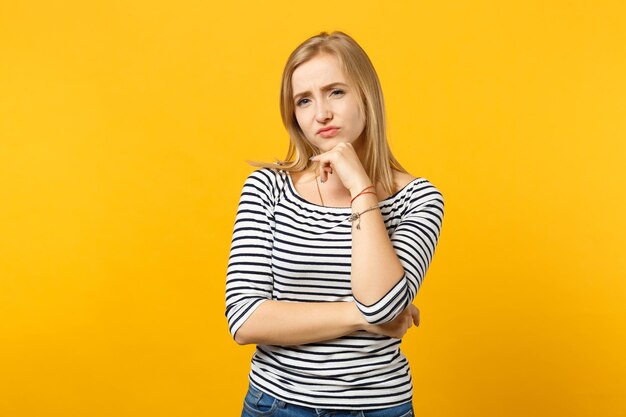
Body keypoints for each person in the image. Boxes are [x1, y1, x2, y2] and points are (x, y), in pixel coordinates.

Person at [225, 31, 444, 417]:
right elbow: (245, 318)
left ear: (366, 95)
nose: (320, 113)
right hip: (276, 406)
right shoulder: (269, 187)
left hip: (379, 408)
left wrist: (362, 187)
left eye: (336, 92)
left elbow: (381, 301)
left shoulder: (419, 199)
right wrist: (367, 316)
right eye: (304, 100)